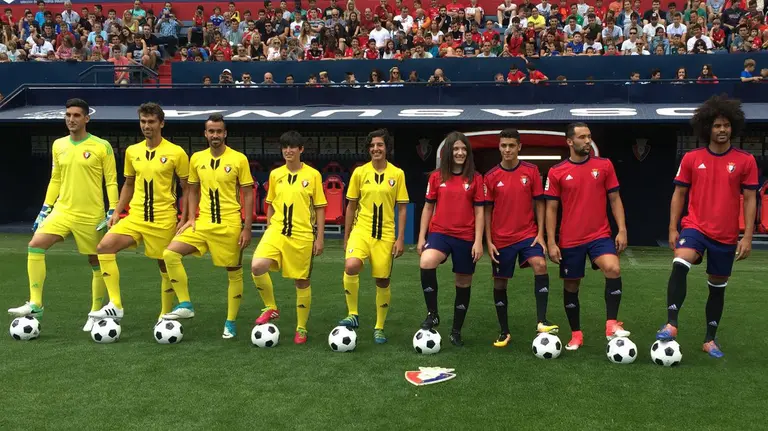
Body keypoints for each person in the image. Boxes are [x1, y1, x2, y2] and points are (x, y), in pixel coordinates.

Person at [657, 95, 758, 358]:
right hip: (695, 227)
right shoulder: (692, 158)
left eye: (726, 125)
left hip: (725, 235)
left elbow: (750, 199)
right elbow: (678, 194)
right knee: (680, 261)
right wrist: (672, 228)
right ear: (707, 128)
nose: (722, 130)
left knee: (717, 285)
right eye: (717, 126)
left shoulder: (746, 161)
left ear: (732, 127)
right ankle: (671, 323)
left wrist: (746, 236)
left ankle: (709, 339)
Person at [8, 99, 118, 331]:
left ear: (86, 118)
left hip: (91, 214)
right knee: (35, 245)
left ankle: (95, 312)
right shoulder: (58, 145)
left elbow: (111, 181)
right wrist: (45, 208)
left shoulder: (102, 146)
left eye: (77, 115)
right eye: (68, 114)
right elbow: (55, 178)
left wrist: (112, 210)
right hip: (62, 210)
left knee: (95, 261)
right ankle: (36, 303)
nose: (71, 119)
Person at [89, 103, 190, 323]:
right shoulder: (132, 151)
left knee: (164, 264)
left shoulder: (176, 152)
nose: (147, 126)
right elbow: (129, 184)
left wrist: (185, 217)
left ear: (161, 123)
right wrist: (117, 211)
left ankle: (164, 313)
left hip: (163, 218)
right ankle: (115, 304)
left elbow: (188, 187)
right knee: (104, 247)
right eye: (143, 121)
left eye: (151, 121)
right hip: (135, 217)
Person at [160, 114, 254, 339]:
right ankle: (185, 303)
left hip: (229, 225)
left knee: (233, 273)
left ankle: (230, 321)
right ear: (205, 133)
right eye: (211, 131)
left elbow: (248, 194)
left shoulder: (239, 159)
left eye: (219, 131)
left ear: (225, 133)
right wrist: (189, 218)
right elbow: (191, 190)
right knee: (169, 254)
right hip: (202, 223)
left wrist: (247, 227)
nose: (215, 135)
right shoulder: (196, 159)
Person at [544, 122, 630, 351]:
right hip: (570, 239)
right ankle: (576, 335)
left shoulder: (604, 165)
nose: (587, 141)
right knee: (571, 286)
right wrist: (551, 242)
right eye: (582, 137)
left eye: (589, 136)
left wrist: (621, 229)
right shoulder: (557, 172)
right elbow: (551, 208)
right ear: (570, 142)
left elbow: (614, 199)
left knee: (613, 268)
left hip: (599, 235)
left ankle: (612, 323)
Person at [483, 129, 558, 347]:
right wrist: (488, 240)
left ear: (519, 147)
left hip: (528, 235)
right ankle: (504, 331)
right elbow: (486, 211)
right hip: (500, 238)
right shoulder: (490, 177)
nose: (507, 149)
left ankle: (542, 321)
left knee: (540, 264)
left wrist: (540, 234)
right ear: (499, 147)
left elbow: (540, 203)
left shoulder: (531, 171)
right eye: (504, 145)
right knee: (500, 282)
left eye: (511, 146)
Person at [251, 131, 327, 344]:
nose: (288, 150)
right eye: (285, 147)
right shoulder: (276, 174)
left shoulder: (313, 175)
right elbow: (270, 204)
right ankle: (271, 307)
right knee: (257, 266)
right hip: (277, 231)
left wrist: (319, 238)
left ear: (301, 149)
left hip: (302, 235)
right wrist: (268, 228)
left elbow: (320, 208)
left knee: (301, 281)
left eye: (293, 147)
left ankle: (301, 328)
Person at [338, 129, 409, 344]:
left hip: (385, 234)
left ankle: (379, 327)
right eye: (372, 146)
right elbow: (351, 206)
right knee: (351, 265)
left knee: (382, 279)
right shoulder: (360, 173)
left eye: (380, 145)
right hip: (362, 231)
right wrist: (347, 235)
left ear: (387, 148)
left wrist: (400, 238)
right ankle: (353, 314)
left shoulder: (397, 174)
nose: (376, 149)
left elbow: (403, 208)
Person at [418, 131, 484, 347]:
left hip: (465, 236)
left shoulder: (476, 178)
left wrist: (478, 241)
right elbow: (428, 207)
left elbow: (480, 212)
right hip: (440, 233)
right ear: (448, 152)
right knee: (427, 262)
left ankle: (456, 330)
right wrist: (421, 237)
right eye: (456, 149)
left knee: (463, 282)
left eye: (463, 149)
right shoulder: (436, 177)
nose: (460, 152)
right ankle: (433, 313)